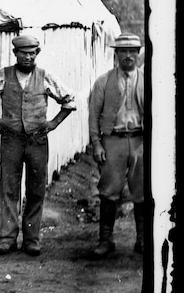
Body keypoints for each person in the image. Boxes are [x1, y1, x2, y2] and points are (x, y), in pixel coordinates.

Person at [0, 34, 75, 256]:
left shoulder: (45, 77)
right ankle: (7, 238)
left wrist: (53, 124)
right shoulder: (3, 75)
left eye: (32, 53)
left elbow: (69, 100)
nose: (28, 57)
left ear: (37, 54)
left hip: (37, 142)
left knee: (36, 190)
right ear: (15, 54)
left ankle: (31, 240)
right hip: (11, 140)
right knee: (9, 189)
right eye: (24, 53)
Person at [88, 33, 145, 258]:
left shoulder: (148, 79)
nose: (128, 56)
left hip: (140, 141)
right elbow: (93, 116)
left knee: (141, 191)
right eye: (123, 51)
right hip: (113, 140)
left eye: (132, 51)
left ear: (138, 53)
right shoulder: (103, 81)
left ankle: (141, 239)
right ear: (116, 54)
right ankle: (106, 240)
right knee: (109, 190)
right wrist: (96, 144)